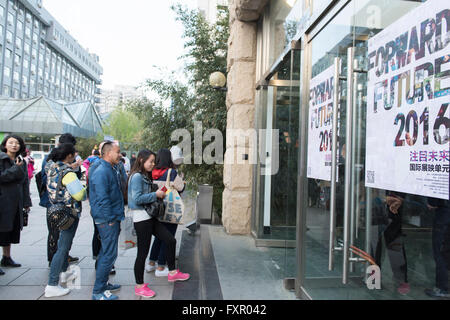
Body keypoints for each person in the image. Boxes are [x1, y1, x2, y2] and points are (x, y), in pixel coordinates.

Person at [128, 149, 190, 298]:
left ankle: (173, 272)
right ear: (142, 160)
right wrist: (155, 194)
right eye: (151, 161)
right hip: (142, 219)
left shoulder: (144, 175)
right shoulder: (136, 177)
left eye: (154, 161)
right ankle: (139, 286)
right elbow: (136, 199)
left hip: (150, 217)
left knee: (170, 239)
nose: (153, 164)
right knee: (142, 254)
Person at [44, 143, 86, 298]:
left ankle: (63, 274)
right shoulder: (67, 172)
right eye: (74, 153)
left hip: (56, 211)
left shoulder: (51, 167)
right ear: (69, 155)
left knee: (61, 245)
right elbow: (79, 195)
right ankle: (52, 284)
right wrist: (84, 186)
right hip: (68, 213)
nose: (75, 155)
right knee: (63, 248)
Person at [89, 141, 124, 300]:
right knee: (109, 254)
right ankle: (98, 291)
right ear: (108, 153)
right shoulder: (102, 170)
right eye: (118, 152)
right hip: (107, 219)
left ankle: (103, 284)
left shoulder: (109, 168)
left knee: (106, 252)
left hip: (110, 217)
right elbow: (102, 198)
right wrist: (110, 219)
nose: (120, 155)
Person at [39, 133, 80, 267]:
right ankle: (54, 259)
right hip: (55, 202)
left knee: (63, 233)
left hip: (61, 201)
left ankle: (62, 257)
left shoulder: (61, 161)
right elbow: (48, 180)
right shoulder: (51, 160)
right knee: (55, 232)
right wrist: (68, 169)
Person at [146, 148, 185, 276]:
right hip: (169, 209)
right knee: (168, 238)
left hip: (156, 209)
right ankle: (161, 267)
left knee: (158, 236)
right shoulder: (171, 172)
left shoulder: (152, 171)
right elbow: (181, 187)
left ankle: (151, 263)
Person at [0, 135, 32, 275]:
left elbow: (24, 183)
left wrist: (26, 201)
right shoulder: (2, 159)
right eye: (11, 143)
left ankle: (6, 257)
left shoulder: (21, 161)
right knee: (1, 229)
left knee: (11, 229)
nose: (14, 145)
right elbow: (1, 177)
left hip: (15, 201)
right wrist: (15, 169)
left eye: (17, 143)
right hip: (3, 200)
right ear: (5, 145)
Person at [424, 198, 450, 298]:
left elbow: (433, 202)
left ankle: (442, 288)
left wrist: (432, 202)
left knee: (440, 252)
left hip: (444, 216)